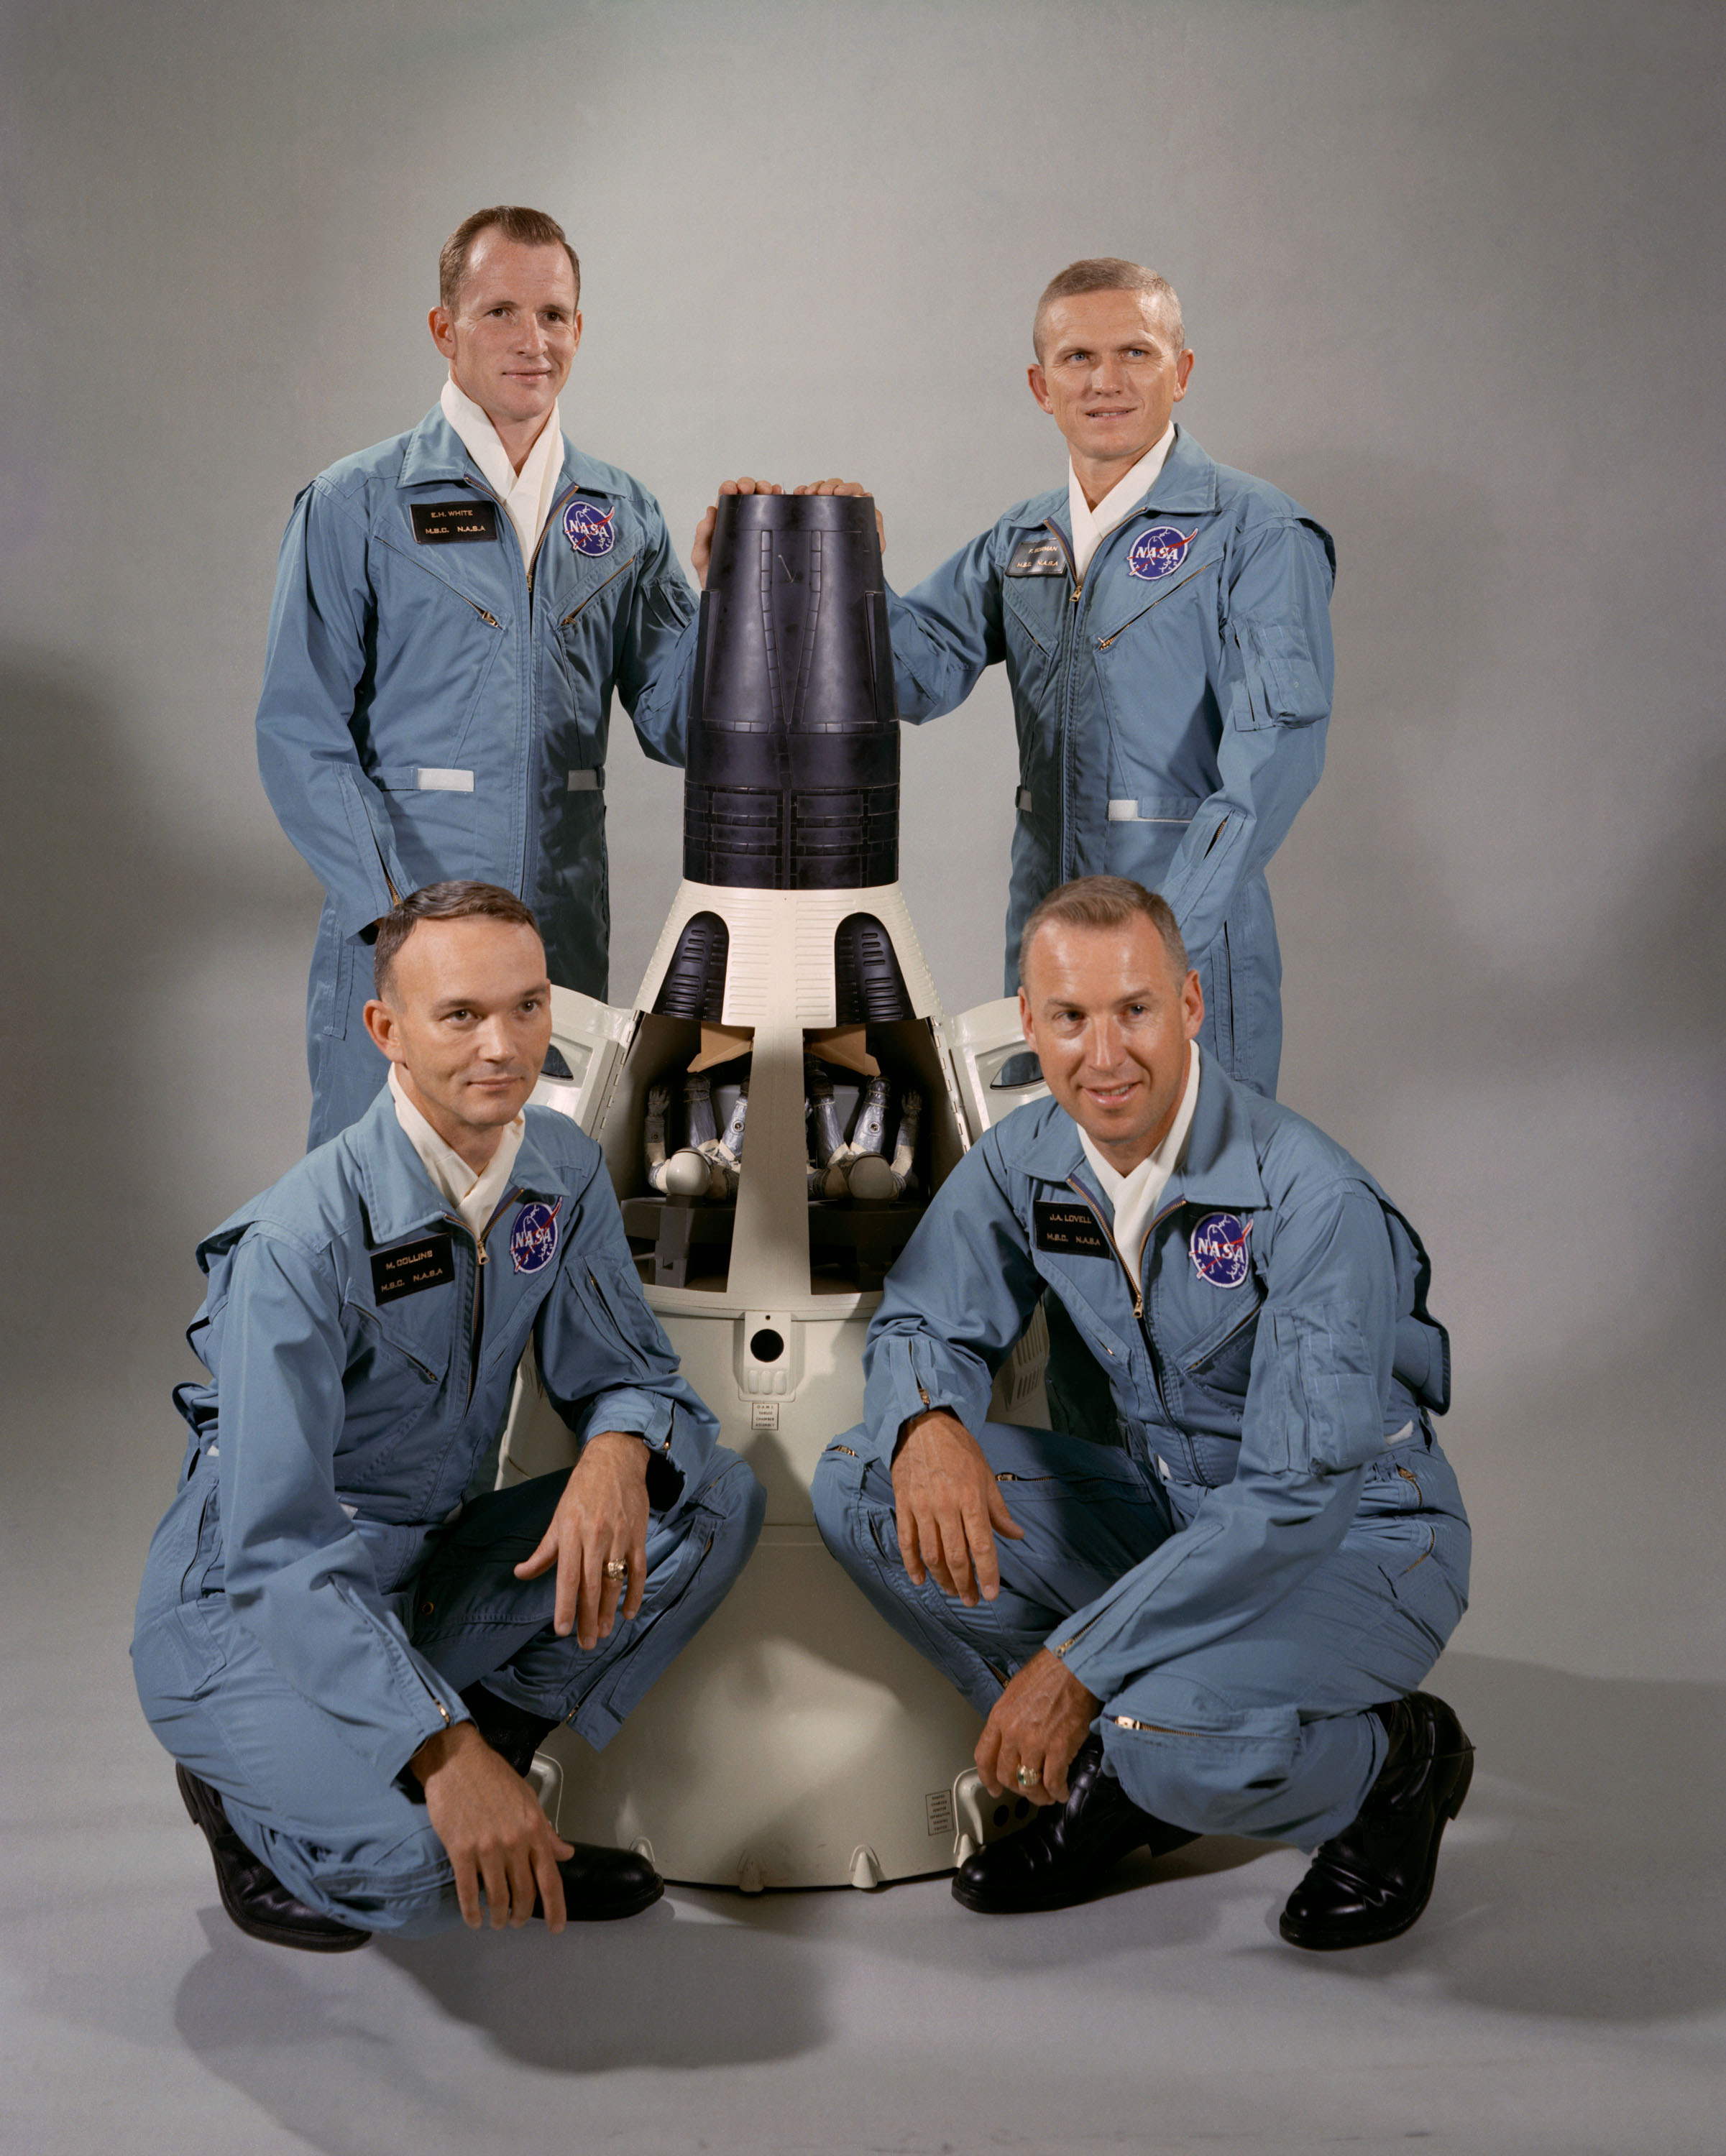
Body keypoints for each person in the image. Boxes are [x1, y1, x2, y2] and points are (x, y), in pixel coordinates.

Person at [811, 877, 1472, 1950]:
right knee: (860, 1481)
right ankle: (1103, 1768)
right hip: (1177, 1519)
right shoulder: (1028, 1159)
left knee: (1174, 1737)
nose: (1104, 1054)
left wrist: (1073, 1664)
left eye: (1135, 1010)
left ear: (1191, 1006)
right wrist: (927, 1423)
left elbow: (1296, 1501)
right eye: (1070, 1018)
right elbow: (924, 1319)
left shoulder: (1309, 1197)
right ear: (1030, 1023)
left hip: (1357, 1543)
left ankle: (1391, 1764)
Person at [132, 883, 763, 1948]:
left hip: (421, 1571)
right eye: (460, 1015)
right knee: (424, 1882)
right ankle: (240, 1797)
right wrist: (438, 1751)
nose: (502, 1046)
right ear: (387, 1031)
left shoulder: (556, 1173)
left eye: (525, 1007)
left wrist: (617, 1445)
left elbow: (635, 1374)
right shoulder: (296, 1245)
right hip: (257, 1611)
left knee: (706, 1496)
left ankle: (497, 1771)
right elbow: (277, 1548)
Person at [257, 206, 702, 1148]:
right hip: (408, 942)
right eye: (499, 311)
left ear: (579, 329)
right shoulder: (359, 503)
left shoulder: (622, 518)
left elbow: (676, 724)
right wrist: (396, 924)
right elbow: (301, 737)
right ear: (443, 328)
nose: (530, 341)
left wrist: (735, 605)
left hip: (560, 950)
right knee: (382, 1225)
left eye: (553, 315)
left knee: (541, 1217)